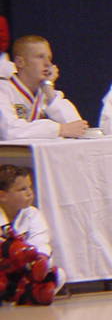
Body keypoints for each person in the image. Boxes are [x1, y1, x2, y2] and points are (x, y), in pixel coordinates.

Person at [0, 164, 66, 305]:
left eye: (30, 187)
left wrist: (40, 259)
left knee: (58, 275)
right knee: (14, 249)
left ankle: (25, 295)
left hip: (23, 269)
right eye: (22, 189)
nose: (29, 193)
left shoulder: (33, 214)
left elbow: (41, 241)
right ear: (2, 196)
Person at [0, 35, 88, 140]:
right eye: (40, 57)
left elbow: (78, 128)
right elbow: (9, 131)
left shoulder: (48, 92)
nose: (48, 64)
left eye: (49, 58)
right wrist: (59, 129)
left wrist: (49, 89)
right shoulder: (3, 91)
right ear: (20, 62)